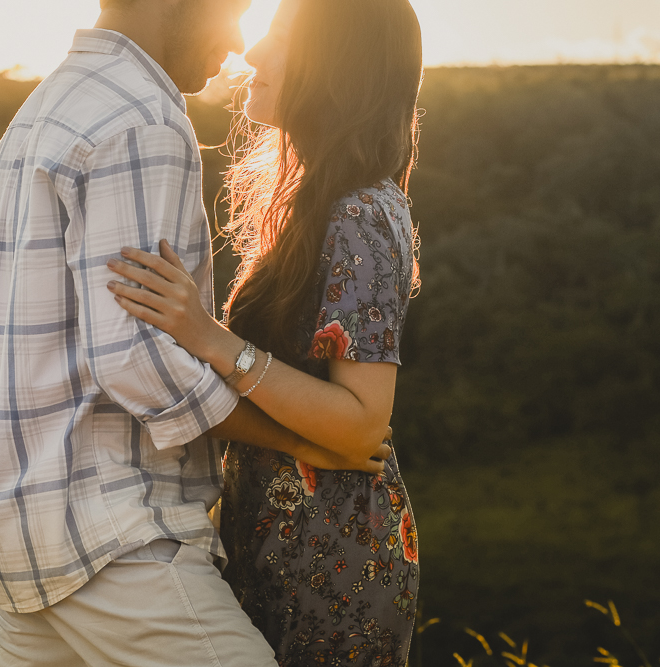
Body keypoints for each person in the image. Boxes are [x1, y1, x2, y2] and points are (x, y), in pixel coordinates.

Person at [0, 0, 391, 664]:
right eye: (233, 10)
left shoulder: (42, 111)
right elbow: (134, 358)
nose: (239, 41)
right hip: (115, 536)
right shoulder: (144, 119)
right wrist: (300, 441)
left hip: (17, 537)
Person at [106, 0, 424, 663]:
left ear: (334, 65)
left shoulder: (360, 213)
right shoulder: (319, 202)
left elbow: (363, 422)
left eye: (277, 37)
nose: (250, 53)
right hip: (282, 543)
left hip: (334, 562)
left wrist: (210, 338)